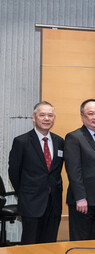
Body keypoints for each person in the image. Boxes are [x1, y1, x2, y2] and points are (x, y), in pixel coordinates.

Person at [8, 101, 64, 244]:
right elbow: (14, 172)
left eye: (50, 115)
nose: (46, 118)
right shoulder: (22, 141)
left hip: (54, 203)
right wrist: (25, 194)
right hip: (31, 203)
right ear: (34, 117)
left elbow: (55, 171)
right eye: (42, 115)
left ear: (54, 118)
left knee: (49, 244)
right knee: (30, 244)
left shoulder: (60, 142)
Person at [65, 99, 95, 240]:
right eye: (91, 113)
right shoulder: (74, 137)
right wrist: (80, 198)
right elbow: (74, 171)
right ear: (82, 116)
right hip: (83, 202)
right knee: (81, 242)